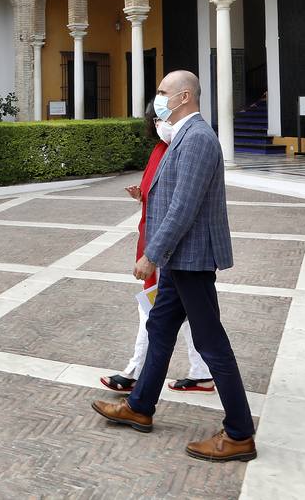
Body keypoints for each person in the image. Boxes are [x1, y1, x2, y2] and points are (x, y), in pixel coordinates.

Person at [90, 70, 257, 463]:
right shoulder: (182, 136)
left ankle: (239, 433)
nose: (158, 98)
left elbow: (184, 207)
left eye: (163, 92)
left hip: (191, 258)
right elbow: (170, 196)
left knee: (211, 343)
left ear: (184, 97)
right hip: (180, 257)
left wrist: (152, 254)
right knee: (160, 328)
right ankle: (140, 405)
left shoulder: (197, 138)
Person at [99, 106, 214, 396]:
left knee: (152, 310)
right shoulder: (161, 150)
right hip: (155, 242)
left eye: (164, 118)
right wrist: (143, 194)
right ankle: (199, 372)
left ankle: (136, 373)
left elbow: (181, 206)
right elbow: (161, 196)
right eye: (157, 120)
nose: (161, 124)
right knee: (177, 313)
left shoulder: (185, 147)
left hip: (166, 248)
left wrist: (153, 255)